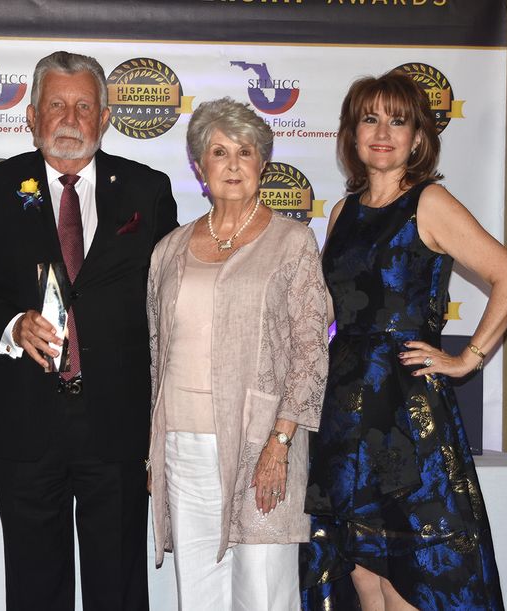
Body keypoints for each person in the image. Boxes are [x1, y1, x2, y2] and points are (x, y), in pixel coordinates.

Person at [0, 50, 178, 610]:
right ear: (31, 115)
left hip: (117, 424)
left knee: (118, 587)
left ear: (105, 118)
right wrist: (9, 323)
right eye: (56, 104)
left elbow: (173, 299)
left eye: (84, 106)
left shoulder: (147, 190)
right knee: (33, 586)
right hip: (26, 423)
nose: (70, 119)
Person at [301, 70, 507, 610]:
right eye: (370, 119)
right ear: (351, 135)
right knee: (361, 571)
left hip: (406, 412)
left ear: (417, 136)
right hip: (344, 410)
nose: (383, 131)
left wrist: (466, 360)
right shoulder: (341, 212)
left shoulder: (429, 202)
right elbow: (329, 310)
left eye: (398, 120)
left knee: (410, 573)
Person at [147, 97, 329, 610]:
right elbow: (158, 353)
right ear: (199, 168)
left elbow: (311, 350)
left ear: (262, 165)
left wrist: (281, 442)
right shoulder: (169, 249)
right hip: (182, 444)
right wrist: (153, 445)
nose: (231, 164)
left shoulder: (292, 242)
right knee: (198, 590)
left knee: (263, 590)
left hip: (262, 443)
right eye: (218, 152)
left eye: (245, 152)